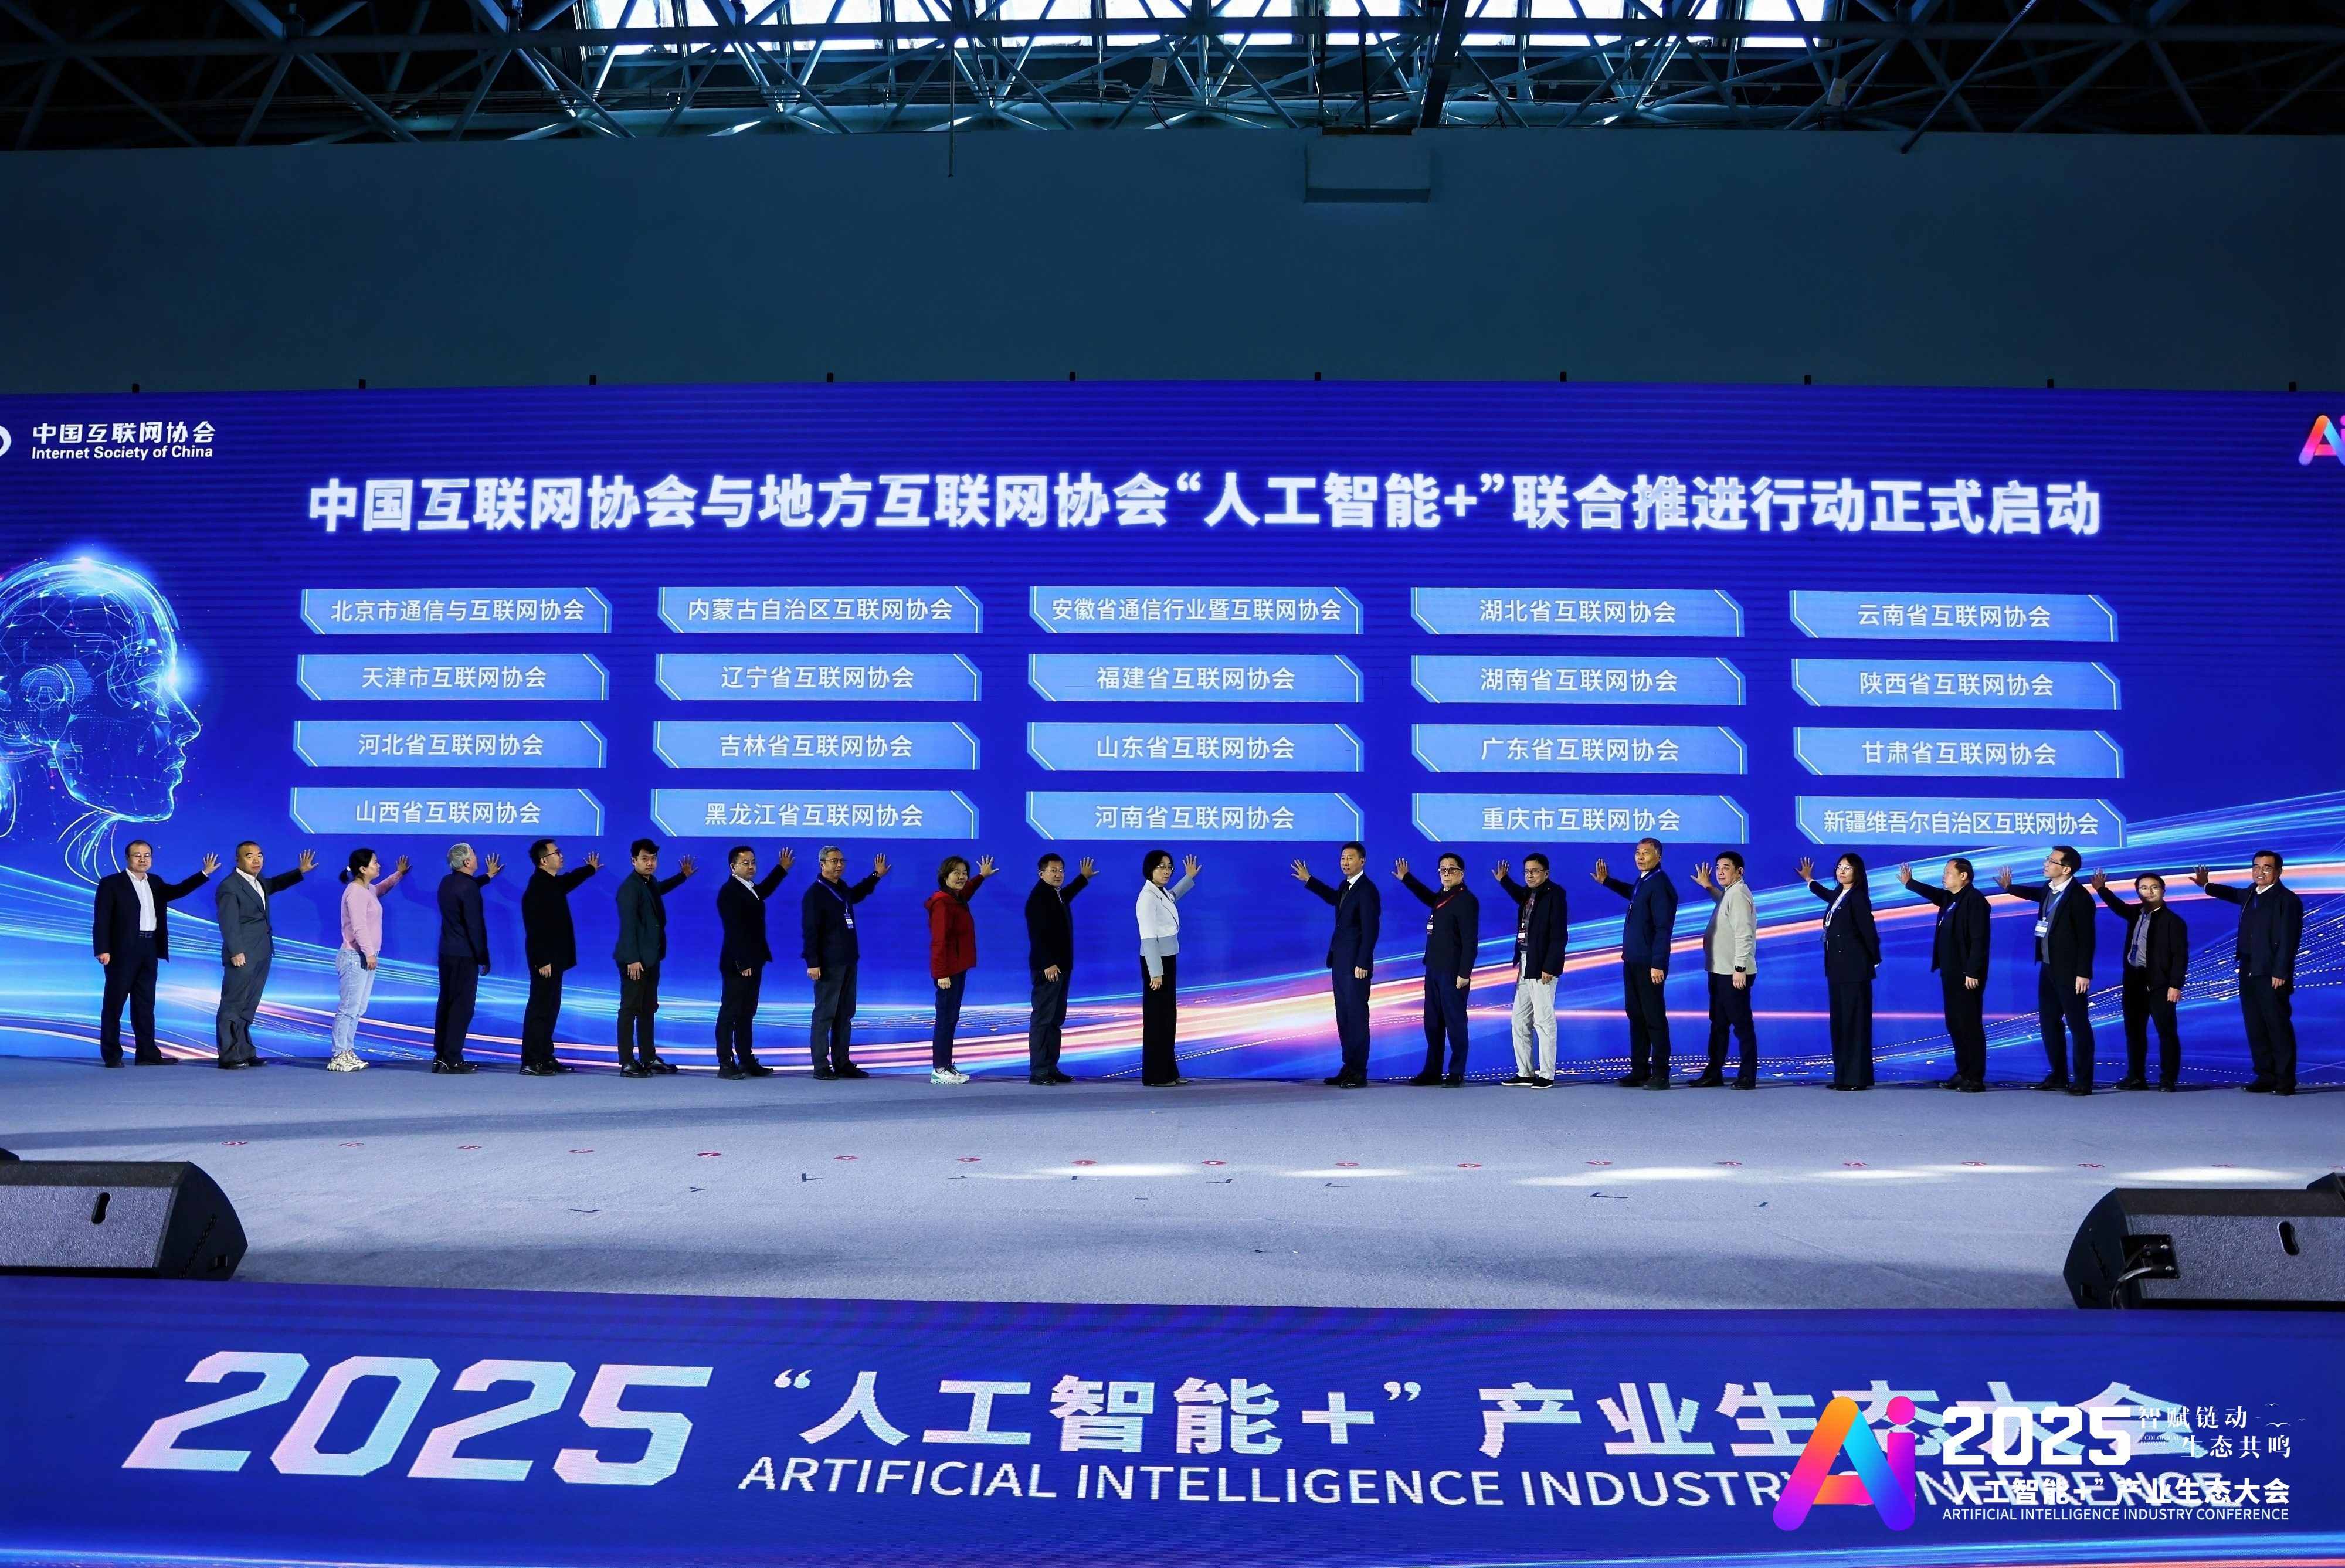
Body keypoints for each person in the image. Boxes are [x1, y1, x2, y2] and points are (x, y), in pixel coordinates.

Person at [91, 840, 217, 1068]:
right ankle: (112, 1055)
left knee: (145, 1004)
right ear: (127, 858)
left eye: (147, 855)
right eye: (137, 855)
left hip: (149, 948)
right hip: (121, 951)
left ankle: (147, 1053)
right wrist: (102, 948)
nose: (143, 859)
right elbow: (102, 918)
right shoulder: (111, 883)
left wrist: (204, 874)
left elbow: (177, 891)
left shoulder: (156, 882)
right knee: (114, 1004)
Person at [2193, 852, 2303, 1095]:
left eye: (2267, 868)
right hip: (2248, 968)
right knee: (2255, 1025)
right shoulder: (2252, 892)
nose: (2260, 872)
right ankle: (2265, 1076)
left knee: (2277, 1025)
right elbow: (2233, 894)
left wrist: (2281, 971)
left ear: (2279, 872)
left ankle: (2285, 1081)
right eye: (2256, 867)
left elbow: (2289, 940)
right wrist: (2206, 885)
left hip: (2272, 972)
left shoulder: (2287, 900)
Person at [1997, 845, 2096, 1095]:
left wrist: (2084, 972)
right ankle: (2059, 1075)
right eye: (2047, 859)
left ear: (2066, 869)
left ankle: (2083, 1081)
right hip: (2048, 967)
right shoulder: (2048, 889)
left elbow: (2087, 938)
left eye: (2052, 861)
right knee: (2049, 1022)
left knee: (2078, 1025)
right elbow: (2035, 894)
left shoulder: (2080, 897)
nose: (2046, 864)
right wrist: (2010, 888)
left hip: (2071, 972)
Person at [212, 840, 315, 1068]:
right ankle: (228, 1055)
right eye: (250, 856)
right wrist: (236, 951)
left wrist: (300, 871)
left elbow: (275, 884)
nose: (256, 860)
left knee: (249, 1004)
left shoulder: (258, 881)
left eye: (259, 855)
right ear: (238, 860)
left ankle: (245, 1051)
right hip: (242, 953)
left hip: (262, 951)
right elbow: (228, 922)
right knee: (233, 1003)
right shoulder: (230, 886)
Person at [1293, 841, 1382, 1089]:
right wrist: (1310, 880)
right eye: (1343, 858)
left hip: (1356, 964)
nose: (1345, 862)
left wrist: (1363, 961)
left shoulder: (1368, 890)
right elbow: (1334, 898)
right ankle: (1348, 1066)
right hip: (1341, 962)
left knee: (1357, 1017)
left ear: (1362, 861)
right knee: (1344, 1016)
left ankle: (1359, 1071)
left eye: (1350, 858)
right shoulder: (1346, 885)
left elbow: (1371, 930)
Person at [1898, 857, 1991, 1092]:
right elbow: (1933, 894)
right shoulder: (1950, 898)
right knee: (1955, 1023)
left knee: (1970, 1025)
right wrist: (1910, 883)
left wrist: (1973, 971)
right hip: (1950, 972)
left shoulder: (1975, 901)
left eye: (1949, 872)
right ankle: (1963, 1071)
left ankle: (1975, 1077)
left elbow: (1979, 941)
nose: (1944, 876)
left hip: (1967, 975)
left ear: (1964, 876)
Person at [2091, 868, 2189, 1092]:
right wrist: (2101, 889)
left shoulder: (2174, 921)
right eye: (2144, 888)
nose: (2149, 891)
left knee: (2166, 1032)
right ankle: (2136, 1078)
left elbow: (2180, 956)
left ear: (2163, 890)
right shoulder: (2135, 913)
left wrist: (2175, 985)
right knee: (2134, 1032)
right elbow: (2118, 906)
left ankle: (2168, 1079)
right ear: (2138, 892)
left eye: (2154, 887)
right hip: (2133, 981)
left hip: (2160, 984)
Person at [1594, 838, 1679, 1089]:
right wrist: (1607, 881)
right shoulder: (1645, 881)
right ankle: (1640, 1070)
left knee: (1654, 1018)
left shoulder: (1660, 885)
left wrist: (1658, 963)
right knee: (1636, 1015)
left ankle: (1661, 1073)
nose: (1640, 857)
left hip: (1649, 964)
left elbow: (1663, 929)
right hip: (1632, 960)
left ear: (1659, 857)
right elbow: (1633, 894)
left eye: (1647, 853)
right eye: (1638, 852)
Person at [613, 837, 697, 1078]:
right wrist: (632, 959)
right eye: (645, 859)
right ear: (634, 861)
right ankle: (627, 1062)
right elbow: (628, 925)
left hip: (651, 957)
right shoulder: (630, 888)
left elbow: (659, 890)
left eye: (653, 858)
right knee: (630, 1009)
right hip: (634, 959)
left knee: (648, 1008)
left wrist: (683, 876)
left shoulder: (648, 883)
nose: (650, 863)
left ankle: (648, 1057)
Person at [802, 846, 888, 1078]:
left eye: (841, 861)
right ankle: (821, 1065)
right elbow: (810, 931)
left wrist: (876, 876)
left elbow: (857, 894)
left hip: (849, 959)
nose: (839, 865)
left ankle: (842, 1062)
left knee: (845, 1014)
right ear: (822, 864)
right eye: (834, 861)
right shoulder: (815, 893)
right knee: (825, 1014)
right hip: (828, 963)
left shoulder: (841, 888)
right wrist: (813, 962)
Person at [519, 837, 602, 1078]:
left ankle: (545, 1055)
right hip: (544, 960)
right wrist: (542, 959)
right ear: (543, 861)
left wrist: (589, 869)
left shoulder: (551, 883)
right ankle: (531, 1060)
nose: (561, 855)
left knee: (551, 1007)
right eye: (556, 853)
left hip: (555, 958)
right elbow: (534, 926)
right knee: (540, 1009)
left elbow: (568, 881)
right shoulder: (538, 887)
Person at [1395, 853, 1478, 1087]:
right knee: (1432, 1024)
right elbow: (1428, 897)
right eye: (1443, 869)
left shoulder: (1466, 900)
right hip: (1433, 968)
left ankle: (1456, 1072)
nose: (1446, 873)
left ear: (1462, 873)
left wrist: (1464, 973)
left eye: (1452, 869)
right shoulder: (1442, 896)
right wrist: (1407, 878)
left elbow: (1470, 941)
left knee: (1455, 1022)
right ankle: (1432, 1071)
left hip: (1453, 972)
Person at [1803, 853, 1881, 1090]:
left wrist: (1873, 959)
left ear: (1858, 872)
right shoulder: (1840, 895)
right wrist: (1809, 880)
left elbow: (1868, 930)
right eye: (1839, 867)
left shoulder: (1858, 898)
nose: (1842, 871)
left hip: (1854, 970)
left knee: (1854, 1024)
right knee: (1840, 1023)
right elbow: (1826, 894)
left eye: (1847, 868)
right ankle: (1843, 1076)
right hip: (1837, 969)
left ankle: (1856, 1079)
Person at [715, 844, 793, 1079]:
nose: (751, 867)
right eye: (745, 863)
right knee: (730, 1013)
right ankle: (725, 1063)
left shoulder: (749, 888)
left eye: (753, 862)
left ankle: (746, 1060)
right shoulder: (729, 892)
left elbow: (764, 890)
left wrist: (781, 869)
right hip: (738, 963)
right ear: (733, 867)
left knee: (747, 1013)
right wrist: (743, 962)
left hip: (754, 960)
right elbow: (734, 930)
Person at [1492, 854, 1567, 1088]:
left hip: (1542, 965)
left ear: (1547, 873)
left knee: (1543, 1021)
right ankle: (1525, 1072)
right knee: (1519, 1020)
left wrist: (1550, 966)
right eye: (1526, 872)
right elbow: (1518, 895)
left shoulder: (1555, 894)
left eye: (1535, 871)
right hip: (1525, 962)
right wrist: (1504, 880)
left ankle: (1546, 1074)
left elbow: (1559, 935)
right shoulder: (1528, 894)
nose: (1530, 875)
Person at [331, 848, 409, 1073]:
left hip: (364, 958)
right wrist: (369, 953)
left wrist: (398, 874)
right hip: (355, 958)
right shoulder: (355, 893)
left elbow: (381, 889)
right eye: (375, 863)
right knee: (348, 1008)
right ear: (363, 869)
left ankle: (347, 1050)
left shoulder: (367, 889)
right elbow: (359, 927)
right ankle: (338, 1055)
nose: (379, 865)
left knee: (358, 1008)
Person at [1023, 852, 1094, 1085]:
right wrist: (1047, 963)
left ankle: (1050, 1066)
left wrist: (1083, 878)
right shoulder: (1039, 898)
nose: (1058, 874)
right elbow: (1037, 934)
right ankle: (1039, 1070)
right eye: (1053, 870)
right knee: (1043, 1019)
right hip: (1048, 968)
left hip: (1062, 966)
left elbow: (1067, 894)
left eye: (1061, 870)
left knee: (1055, 1019)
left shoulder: (1055, 894)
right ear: (1041, 873)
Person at [925, 853, 996, 1085]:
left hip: (957, 968)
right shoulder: (942, 903)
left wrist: (981, 877)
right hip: (947, 972)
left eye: (964, 873)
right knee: (945, 1019)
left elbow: (968, 891)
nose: (962, 877)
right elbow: (939, 941)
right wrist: (941, 973)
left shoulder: (956, 898)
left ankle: (946, 1065)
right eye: (956, 873)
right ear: (945, 876)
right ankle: (939, 1069)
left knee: (951, 1018)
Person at [1689, 852, 1757, 1088]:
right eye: (1718, 867)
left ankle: (1748, 1075)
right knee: (1719, 1024)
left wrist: (1740, 968)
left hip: (1733, 973)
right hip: (1720, 970)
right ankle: (1714, 1072)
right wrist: (1709, 887)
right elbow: (1724, 904)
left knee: (1741, 1025)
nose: (1720, 871)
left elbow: (1744, 935)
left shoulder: (1738, 894)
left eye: (1726, 868)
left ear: (1740, 871)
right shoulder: (1731, 893)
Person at [433, 842, 501, 1073]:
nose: (477, 856)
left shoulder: (447, 882)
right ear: (467, 862)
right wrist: (483, 956)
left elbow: (466, 887)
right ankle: (453, 1058)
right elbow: (475, 926)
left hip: (446, 953)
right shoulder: (468, 888)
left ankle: (441, 1056)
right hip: (465, 955)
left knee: (446, 1003)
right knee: (462, 1007)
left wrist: (487, 877)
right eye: (474, 854)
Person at [1135, 849, 1200, 1087]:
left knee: (1167, 1018)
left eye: (1169, 867)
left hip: (1167, 959)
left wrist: (1188, 877)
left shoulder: (1160, 893)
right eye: (1161, 867)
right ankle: (1155, 1075)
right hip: (1157, 963)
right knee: (1156, 1020)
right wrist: (1155, 972)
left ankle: (1169, 1071)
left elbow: (1173, 896)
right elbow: (1147, 937)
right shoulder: (1147, 897)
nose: (1167, 871)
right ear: (1150, 869)